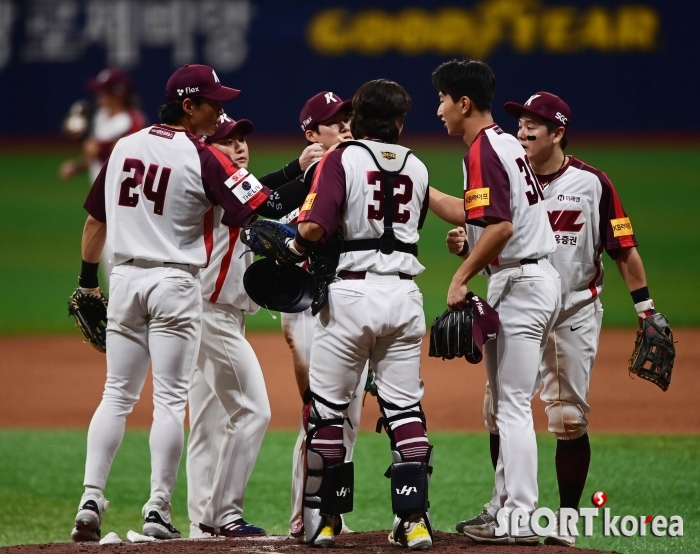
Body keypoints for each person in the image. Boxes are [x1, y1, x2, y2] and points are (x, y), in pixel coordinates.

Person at [70, 64, 311, 543]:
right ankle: (157, 509)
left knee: (116, 395)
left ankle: (90, 499)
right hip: (176, 284)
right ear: (188, 105)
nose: (219, 110)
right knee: (170, 402)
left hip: (125, 280)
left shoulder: (126, 146)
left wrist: (86, 282)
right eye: (213, 103)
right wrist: (311, 175)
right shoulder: (201, 156)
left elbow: (95, 222)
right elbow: (264, 207)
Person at [448, 91, 658, 547]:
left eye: (533, 126)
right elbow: (496, 233)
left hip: (573, 310)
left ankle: (563, 518)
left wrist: (645, 308)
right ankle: (501, 505)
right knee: (498, 408)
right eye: (520, 123)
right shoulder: (513, 174)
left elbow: (624, 250)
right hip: (522, 298)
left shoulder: (591, 183)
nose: (522, 131)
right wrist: (468, 244)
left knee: (566, 417)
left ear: (558, 133)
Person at [287, 79, 433, 550]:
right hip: (405, 297)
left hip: (351, 296)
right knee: (405, 411)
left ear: (355, 121)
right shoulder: (419, 164)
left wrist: (293, 246)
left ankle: (324, 521)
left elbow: (313, 224)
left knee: (327, 412)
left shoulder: (341, 158)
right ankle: (413, 521)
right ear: (400, 122)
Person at [427, 59, 561, 545]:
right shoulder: (502, 143)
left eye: (443, 99)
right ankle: (503, 505)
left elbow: (501, 225)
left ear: (464, 103)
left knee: (511, 406)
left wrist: (461, 276)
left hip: (522, 282)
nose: (439, 108)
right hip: (522, 278)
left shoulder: (484, 150)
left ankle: (521, 515)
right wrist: (420, 191)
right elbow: (480, 214)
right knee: (505, 403)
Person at [186, 113, 323, 538]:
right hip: (211, 314)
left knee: (209, 422)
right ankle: (224, 514)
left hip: (207, 312)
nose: (240, 146)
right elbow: (268, 203)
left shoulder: (219, 186)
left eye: (243, 137)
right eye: (229, 140)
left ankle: (201, 523)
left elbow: (260, 198)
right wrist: (309, 173)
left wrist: (293, 172)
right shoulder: (212, 182)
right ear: (210, 148)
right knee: (252, 410)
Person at [282, 91, 367, 539]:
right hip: (309, 309)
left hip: (349, 303)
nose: (346, 125)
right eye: (335, 121)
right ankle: (305, 513)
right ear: (312, 134)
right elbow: (266, 211)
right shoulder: (315, 172)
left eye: (348, 117)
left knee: (348, 416)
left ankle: (328, 509)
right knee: (319, 413)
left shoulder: (355, 167)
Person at [60, 68, 147, 279]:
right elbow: (95, 155)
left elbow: (120, 153)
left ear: (118, 94)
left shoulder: (133, 120)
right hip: (104, 197)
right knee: (108, 257)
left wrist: (92, 144)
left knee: (126, 257)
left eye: (104, 91)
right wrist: (79, 166)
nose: (99, 95)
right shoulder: (100, 117)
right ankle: (117, 309)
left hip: (128, 199)